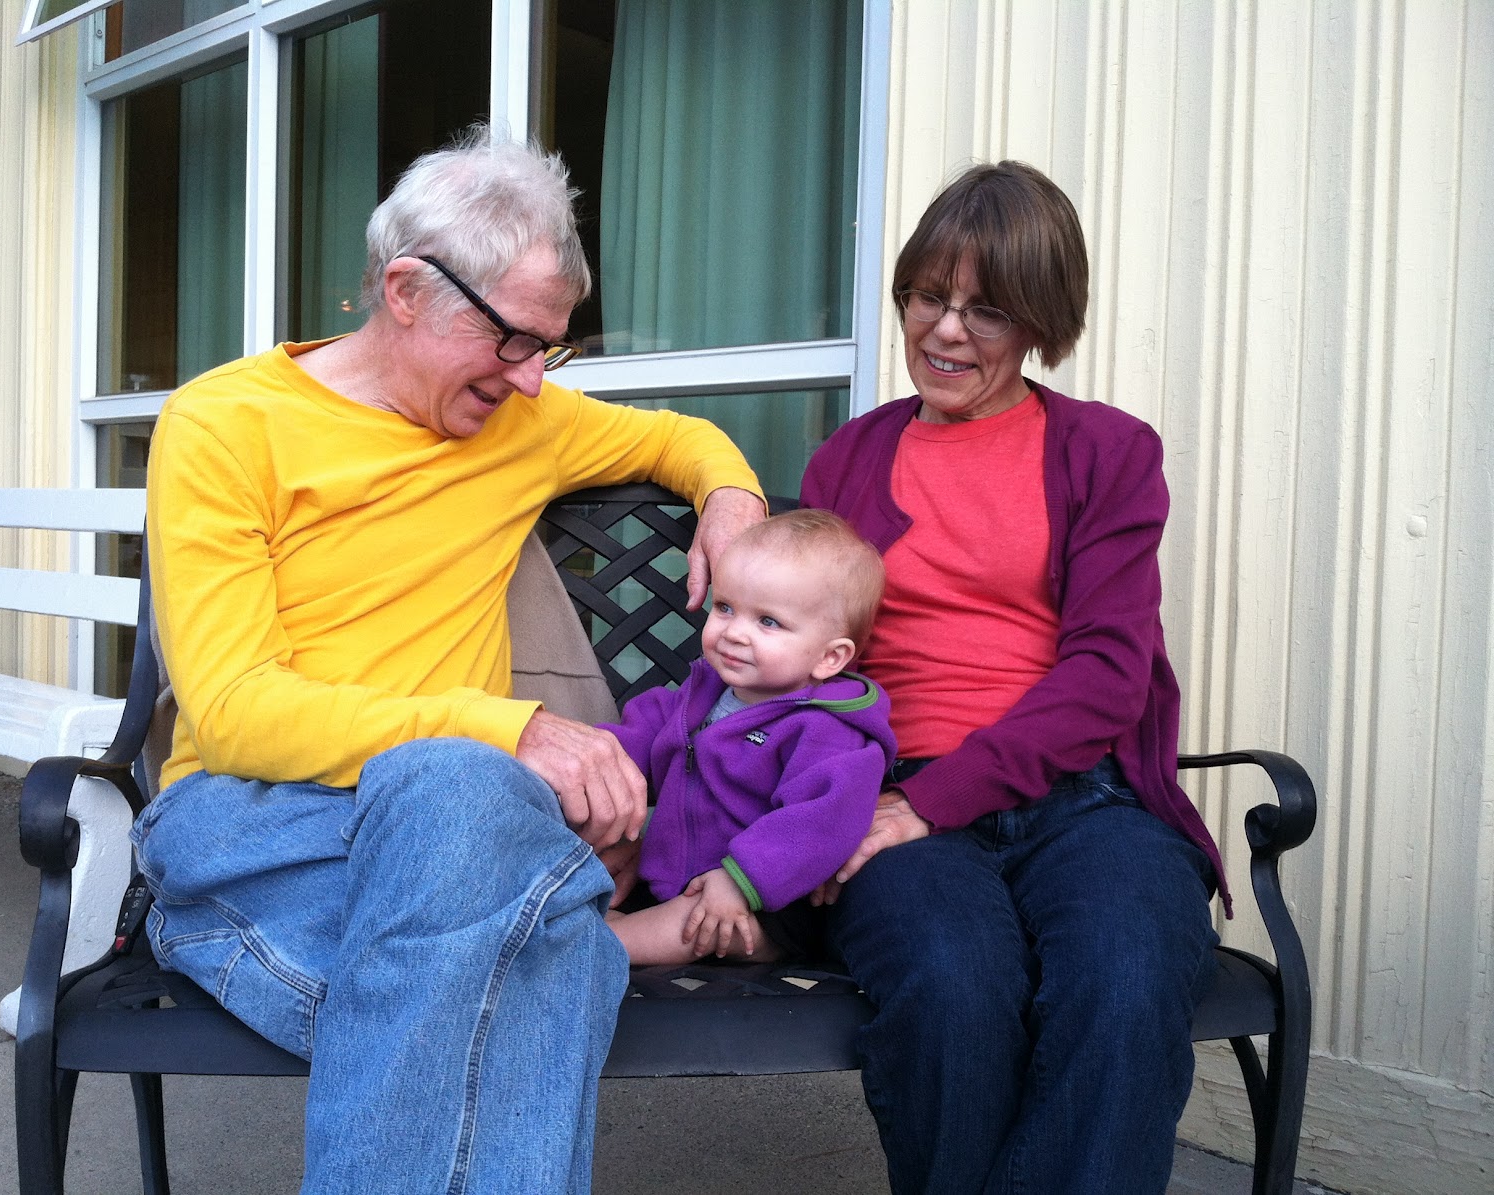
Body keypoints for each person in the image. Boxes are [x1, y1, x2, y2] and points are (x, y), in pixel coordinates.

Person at [131, 126, 767, 1194]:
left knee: (487, 881)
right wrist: (508, 732)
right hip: (261, 822)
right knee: (536, 930)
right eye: (513, 340)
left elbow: (676, 438)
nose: (532, 381)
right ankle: (559, 906)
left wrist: (734, 501)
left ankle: (542, 897)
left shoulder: (521, 421)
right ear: (407, 291)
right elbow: (236, 710)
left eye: (550, 349)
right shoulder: (226, 425)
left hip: (461, 838)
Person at [800, 160, 1228, 1194]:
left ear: (1039, 318)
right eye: (925, 297)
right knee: (954, 982)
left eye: (985, 309)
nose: (944, 331)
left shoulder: (1107, 452)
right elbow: (797, 662)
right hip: (894, 794)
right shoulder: (845, 462)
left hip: (1086, 800)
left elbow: (1109, 674)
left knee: (1127, 977)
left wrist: (934, 800)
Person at [599, 509, 896, 964]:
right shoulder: (701, 695)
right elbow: (641, 736)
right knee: (595, 877)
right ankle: (607, 931)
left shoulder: (828, 731)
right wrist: (598, 760)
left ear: (830, 658)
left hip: (767, 903)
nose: (734, 632)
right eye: (725, 607)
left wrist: (743, 880)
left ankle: (602, 946)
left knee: (692, 922)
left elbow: (819, 823)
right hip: (672, 876)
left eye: (768, 622)